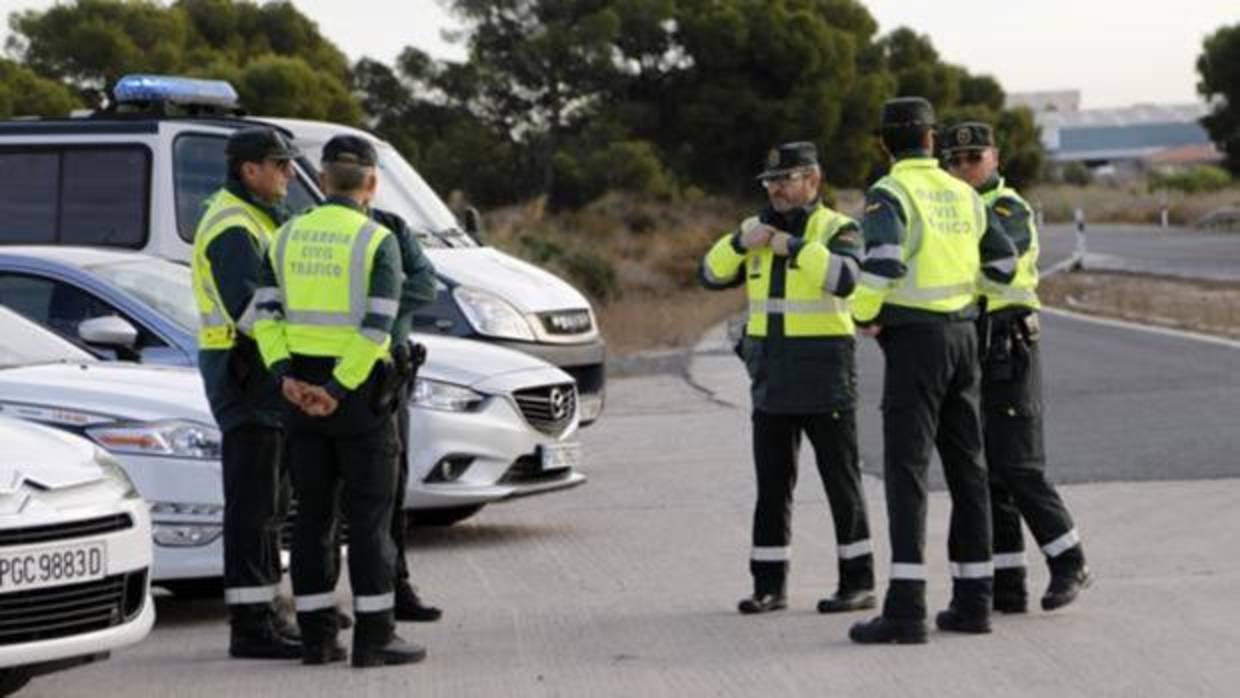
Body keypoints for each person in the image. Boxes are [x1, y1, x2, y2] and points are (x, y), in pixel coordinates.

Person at [847, 97, 1018, 645]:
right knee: (969, 470)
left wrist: (864, 313)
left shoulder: (889, 193)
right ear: (932, 140)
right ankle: (974, 604)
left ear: (884, 143)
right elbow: (1004, 264)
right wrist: (971, 307)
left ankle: (905, 611)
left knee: (908, 473)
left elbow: (884, 262)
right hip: (965, 338)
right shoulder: (965, 194)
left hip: (915, 343)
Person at [253, 134, 424, 668]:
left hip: (298, 395)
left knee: (311, 519)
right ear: (371, 183)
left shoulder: (283, 238)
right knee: (370, 521)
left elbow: (264, 316)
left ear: (322, 181)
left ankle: (317, 639)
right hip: (358, 397)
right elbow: (377, 328)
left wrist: (285, 377)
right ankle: (376, 639)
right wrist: (337, 389)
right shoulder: (377, 241)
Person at [699, 141, 875, 615]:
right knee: (772, 487)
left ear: (813, 180)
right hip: (772, 375)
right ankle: (768, 586)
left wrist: (794, 248)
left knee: (843, 484)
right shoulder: (754, 229)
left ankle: (858, 583)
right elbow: (710, 274)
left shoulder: (840, 228)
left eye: (786, 179)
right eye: (770, 181)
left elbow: (846, 279)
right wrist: (741, 243)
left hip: (825, 372)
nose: (775, 188)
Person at [942, 120, 1092, 613]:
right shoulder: (957, 211)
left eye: (973, 158)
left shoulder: (1005, 207)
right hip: (974, 345)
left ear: (995, 158)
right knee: (988, 473)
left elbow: (995, 260)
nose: (965, 168)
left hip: (1009, 343)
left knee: (1019, 464)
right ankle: (1008, 584)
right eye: (955, 161)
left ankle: (1070, 559)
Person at [191, 127, 302, 660]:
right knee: (253, 506)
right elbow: (253, 312)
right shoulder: (232, 227)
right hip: (243, 371)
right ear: (248, 170)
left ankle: (269, 610)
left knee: (271, 504)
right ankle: (250, 627)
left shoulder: (258, 217)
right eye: (279, 165)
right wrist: (297, 352)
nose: (288, 174)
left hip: (257, 371)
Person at [368, 205, 443, 622]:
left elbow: (426, 283)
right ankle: (322, 605)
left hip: (389, 376)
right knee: (325, 498)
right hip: (332, 372)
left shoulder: (391, 225)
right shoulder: (310, 224)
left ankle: (396, 586)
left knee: (391, 489)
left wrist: (379, 305)